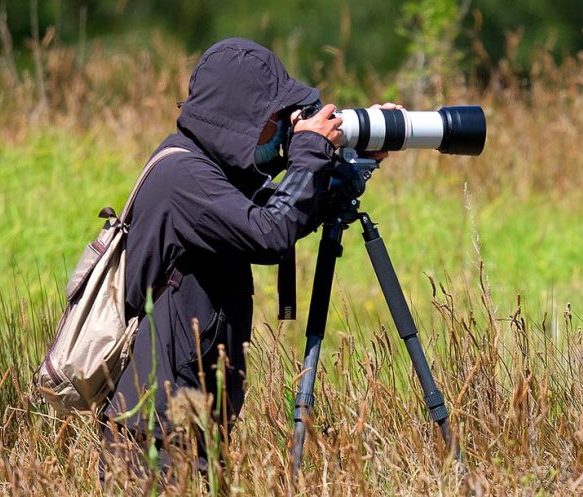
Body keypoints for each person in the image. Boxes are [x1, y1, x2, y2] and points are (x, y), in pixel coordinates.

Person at [98, 37, 399, 474]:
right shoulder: (183, 176)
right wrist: (309, 152)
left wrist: (349, 162)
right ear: (241, 118)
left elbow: (284, 213)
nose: (281, 128)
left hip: (178, 423)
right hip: (153, 432)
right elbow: (270, 233)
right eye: (274, 118)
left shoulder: (208, 172)